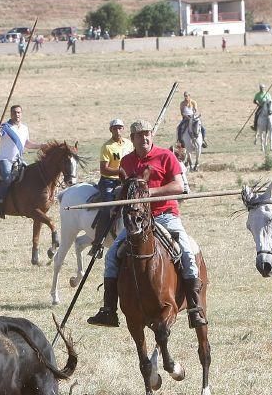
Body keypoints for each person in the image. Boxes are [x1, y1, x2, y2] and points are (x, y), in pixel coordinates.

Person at [87, 120, 207, 329]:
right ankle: (109, 310)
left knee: (187, 253)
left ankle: (195, 307)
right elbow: (125, 189)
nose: (144, 138)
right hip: (137, 221)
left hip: (165, 215)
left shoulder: (166, 156)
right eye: (139, 135)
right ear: (132, 139)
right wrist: (120, 197)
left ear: (152, 136)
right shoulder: (126, 161)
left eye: (147, 134)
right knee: (112, 256)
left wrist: (150, 193)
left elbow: (179, 186)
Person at [0, 105, 43, 219]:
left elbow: (27, 144)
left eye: (18, 112)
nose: (17, 115)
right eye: (14, 112)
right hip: (5, 160)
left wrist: (42, 146)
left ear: (21, 114)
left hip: (18, 160)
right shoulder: (5, 127)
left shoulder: (24, 128)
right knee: (7, 179)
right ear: (11, 114)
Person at [91, 118, 133, 253]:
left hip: (126, 180)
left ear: (123, 129)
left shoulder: (129, 144)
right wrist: (120, 171)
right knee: (107, 208)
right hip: (109, 180)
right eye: (115, 128)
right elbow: (104, 169)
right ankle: (98, 243)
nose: (118, 130)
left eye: (120, 128)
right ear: (111, 130)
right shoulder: (107, 146)